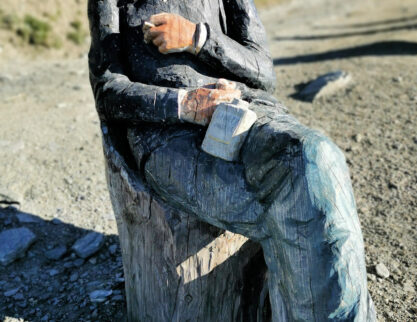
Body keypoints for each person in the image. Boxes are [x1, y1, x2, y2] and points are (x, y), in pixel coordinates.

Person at [88, 0, 376, 320]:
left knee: (319, 157)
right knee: (291, 204)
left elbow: (263, 73)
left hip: (248, 107)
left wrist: (198, 38)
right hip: (170, 133)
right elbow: (107, 90)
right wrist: (186, 104)